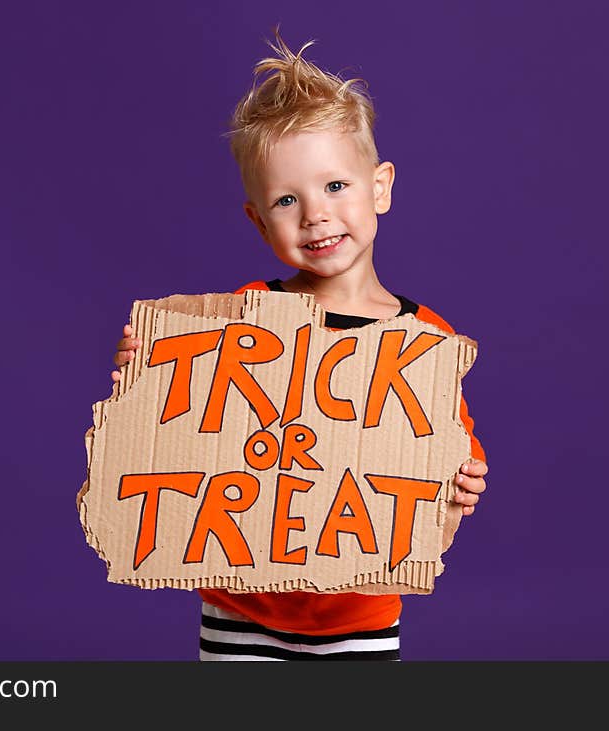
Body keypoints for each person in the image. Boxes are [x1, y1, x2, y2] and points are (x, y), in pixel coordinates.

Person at [110, 30, 488, 661]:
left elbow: (443, 441)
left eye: (336, 187)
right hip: (242, 605)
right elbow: (186, 425)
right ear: (260, 221)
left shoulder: (426, 340)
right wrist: (143, 378)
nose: (315, 213)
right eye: (287, 200)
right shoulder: (242, 317)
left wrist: (462, 474)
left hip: (360, 609)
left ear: (380, 187)